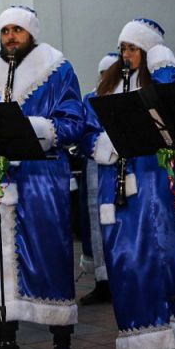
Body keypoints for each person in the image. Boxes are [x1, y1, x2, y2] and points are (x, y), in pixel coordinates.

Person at [0, 5, 86, 349]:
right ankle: (5, 341)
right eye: (5, 31)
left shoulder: (57, 69)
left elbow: (73, 121)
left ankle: (61, 344)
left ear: (31, 32)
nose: (11, 37)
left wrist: (36, 128)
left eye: (17, 30)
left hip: (42, 179)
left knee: (50, 254)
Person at [82, 18, 175, 349]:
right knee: (121, 263)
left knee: (153, 258)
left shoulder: (158, 80)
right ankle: (133, 339)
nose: (126, 55)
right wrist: (102, 144)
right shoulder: (106, 87)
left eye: (134, 48)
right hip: (113, 184)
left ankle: (161, 347)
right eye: (123, 47)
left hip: (149, 183)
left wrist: (160, 57)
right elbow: (86, 128)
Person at [77, 52, 119, 307]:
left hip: (122, 168)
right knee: (95, 221)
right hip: (96, 166)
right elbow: (85, 130)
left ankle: (119, 277)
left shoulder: (125, 95)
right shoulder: (90, 99)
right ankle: (102, 281)